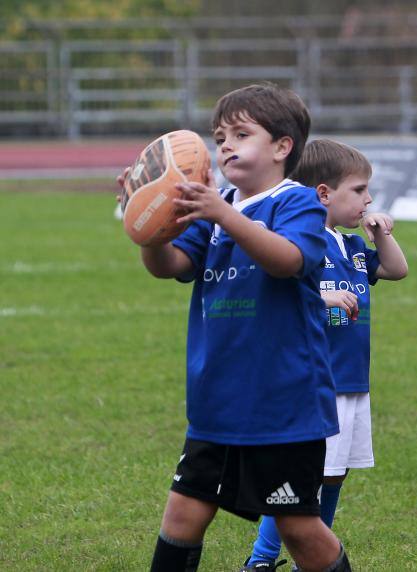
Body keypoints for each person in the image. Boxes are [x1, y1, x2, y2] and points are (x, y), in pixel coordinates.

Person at [121, 83, 351, 572]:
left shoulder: (300, 203)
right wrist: (148, 223)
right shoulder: (215, 209)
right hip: (217, 398)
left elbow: (289, 261)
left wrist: (223, 212)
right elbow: (169, 265)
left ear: (282, 146)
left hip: (283, 401)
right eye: (219, 135)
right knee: (183, 511)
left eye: (241, 134)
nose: (225, 145)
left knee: (297, 526)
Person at [243, 139, 408, 570]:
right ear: (322, 194)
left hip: (353, 380)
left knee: (335, 474)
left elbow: (395, 270)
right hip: (318, 381)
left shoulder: (351, 247)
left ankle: (312, 559)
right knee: (301, 480)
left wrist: (382, 235)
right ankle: (261, 560)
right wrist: (325, 296)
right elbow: (281, 291)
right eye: (358, 190)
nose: (368, 199)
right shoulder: (304, 243)